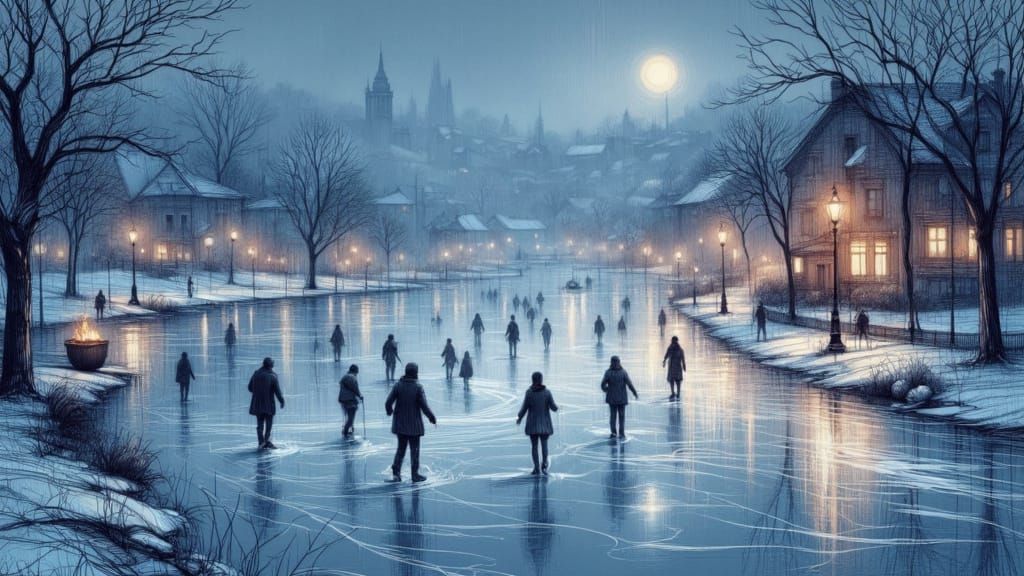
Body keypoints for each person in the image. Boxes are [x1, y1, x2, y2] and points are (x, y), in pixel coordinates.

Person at [385, 363, 436, 482]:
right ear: (415, 373)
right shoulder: (418, 387)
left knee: (401, 449)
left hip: (400, 423)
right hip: (414, 425)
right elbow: (424, 406)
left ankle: (396, 473)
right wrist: (431, 417)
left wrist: (389, 411)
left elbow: (388, 402)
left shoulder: (398, 386)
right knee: (415, 450)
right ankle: (415, 474)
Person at [516, 371, 559, 475]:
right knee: (544, 446)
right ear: (541, 380)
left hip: (533, 424)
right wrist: (556, 407)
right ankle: (544, 464)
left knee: (534, 446)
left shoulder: (529, 393)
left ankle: (536, 468)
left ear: (533, 380)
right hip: (544, 424)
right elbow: (553, 407)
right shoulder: (547, 392)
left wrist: (520, 417)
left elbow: (524, 407)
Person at [248, 357, 285, 449]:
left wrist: (258, 391)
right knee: (268, 424)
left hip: (257, 403)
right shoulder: (273, 376)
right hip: (268, 404)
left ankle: (261, 442)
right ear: (271, 365)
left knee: (259, 424)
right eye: (273, 364)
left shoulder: (256, 374)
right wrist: (282, 401)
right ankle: (267, 441)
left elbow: (250, 388)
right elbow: (277, 392)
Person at [601, 356, 637, 439]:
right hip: (619, 398)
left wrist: (606, 390)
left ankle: (617, 432)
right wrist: (634, 392)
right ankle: (618, 433)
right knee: (618, 416)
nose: (616, 363)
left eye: (616, 362)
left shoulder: (610, 372)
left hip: (615, 398)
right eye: (615, 362)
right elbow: (629, 384)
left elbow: (603, 385)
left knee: (616, 416)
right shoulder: (621, 372)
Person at [338, 364, 363, 437]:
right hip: (350, 400)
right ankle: (345, 433)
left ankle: (349, 430)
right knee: (351, 418)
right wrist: (360, 395)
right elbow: (355, 388)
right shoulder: (352, 377)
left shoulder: (345, 376)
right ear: (356, 371)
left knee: (349, 417)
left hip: (343, 399)